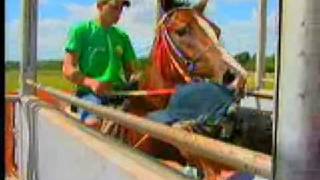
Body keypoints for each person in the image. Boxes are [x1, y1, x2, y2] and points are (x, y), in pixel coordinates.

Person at [62, 0, 137, 129]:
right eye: (114, 7)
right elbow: (67, 68)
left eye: (121, 9)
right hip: (90, 94)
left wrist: (136, 80)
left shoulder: (122, 37)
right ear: (100, 6)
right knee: (93, 123)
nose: (118, 13)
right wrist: (91, 83)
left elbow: (132, 72)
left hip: (118, 93)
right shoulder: (81, 31)